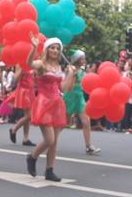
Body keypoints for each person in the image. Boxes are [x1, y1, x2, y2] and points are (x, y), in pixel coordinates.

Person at [26, 36, 75, 182]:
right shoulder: (41, 64)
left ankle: (49, 170)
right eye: (52, 47)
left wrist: (71, 75)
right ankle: (32, 156)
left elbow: (63, 88)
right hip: (44, 103)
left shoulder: (59, 67)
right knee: (49, 139)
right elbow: (28, 63)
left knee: (55, 141)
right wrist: (34, 48)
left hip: (57, 104)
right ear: (47, 49)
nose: (55, 50)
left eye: (57, 48)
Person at [63, 49, 101, 155]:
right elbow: (69, 86)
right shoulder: (70, 68)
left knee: (86, 121)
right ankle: (51, 141)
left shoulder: (83, 70)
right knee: (63, 123)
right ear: (77, 59)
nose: (84, 60)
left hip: (80, 97)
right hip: (70, 97)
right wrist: (72, 73)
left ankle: (89, 146)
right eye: (82, 58)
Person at [9, 65, 36, 146]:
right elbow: (15, 80)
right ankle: (14, 129)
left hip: (31, 91)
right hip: (24, 91)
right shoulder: (20, 64)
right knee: (29, 116)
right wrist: (21, 70)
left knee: (27, 116)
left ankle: (25, 139)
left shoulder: (32, 64)